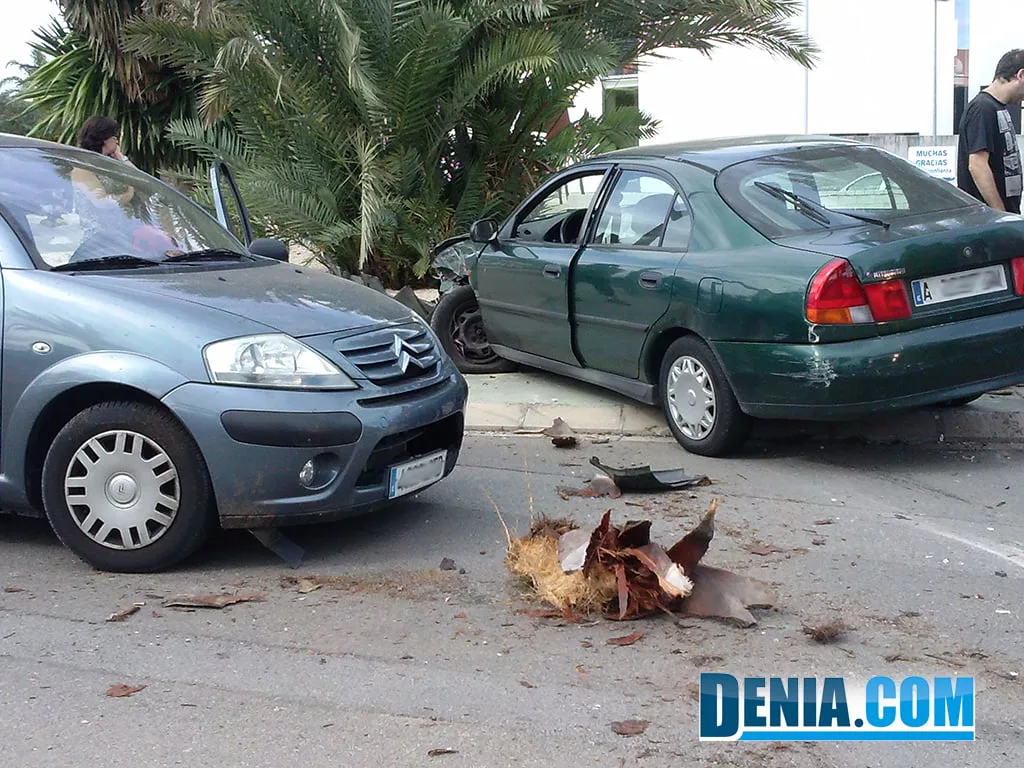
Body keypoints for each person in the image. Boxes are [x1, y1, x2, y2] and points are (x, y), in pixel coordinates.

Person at [956, 49, 1024, 214]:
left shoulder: (997, 107)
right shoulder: (982, 108)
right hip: (989, 221)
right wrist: (1000, 214)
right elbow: (977, 165)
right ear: (1021, 75)